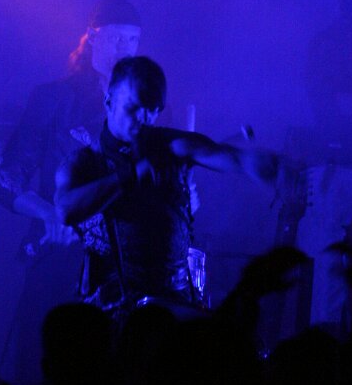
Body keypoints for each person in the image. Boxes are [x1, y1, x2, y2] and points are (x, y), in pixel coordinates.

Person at [0, 0, 143, 385]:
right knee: (49, 377)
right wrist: (51, 213)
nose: (125, 49)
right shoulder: (53, 99)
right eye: (116, 38)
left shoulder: (144, 108)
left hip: (123, 269)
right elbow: (6, 178)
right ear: (93, 38)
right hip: (60, 260)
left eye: (133, 40)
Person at [54, 55, 282, 315]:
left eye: (153, 109)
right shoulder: (82, 163)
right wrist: (130, 175)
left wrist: (262, 165)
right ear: (109, 101)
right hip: (107, 315)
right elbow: (65, 209)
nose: (144, 118)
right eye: (133, 108)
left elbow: (226, 156)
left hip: (172, 310)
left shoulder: (170, 147)